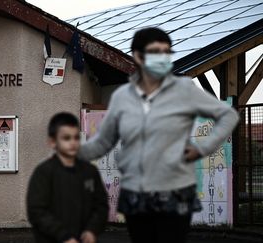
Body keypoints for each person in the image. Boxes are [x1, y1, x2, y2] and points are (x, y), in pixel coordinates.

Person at [78, 27, 239, 243]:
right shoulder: (122, 97)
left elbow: (227, 115)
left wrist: (203, 147)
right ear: (138, 56)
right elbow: (104, 141)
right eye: (156, 51)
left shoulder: (183, 89)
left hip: (175, 190)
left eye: (167, 51)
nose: (163, 57)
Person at [27, 112, 108, 243]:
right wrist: (63, 236)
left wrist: (92, 230)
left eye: (76, 138)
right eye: (66, 138)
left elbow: (101, 205)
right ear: (53, 142)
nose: (73, 142)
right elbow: (37, 211)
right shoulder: (43, 172)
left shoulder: (90, 172)